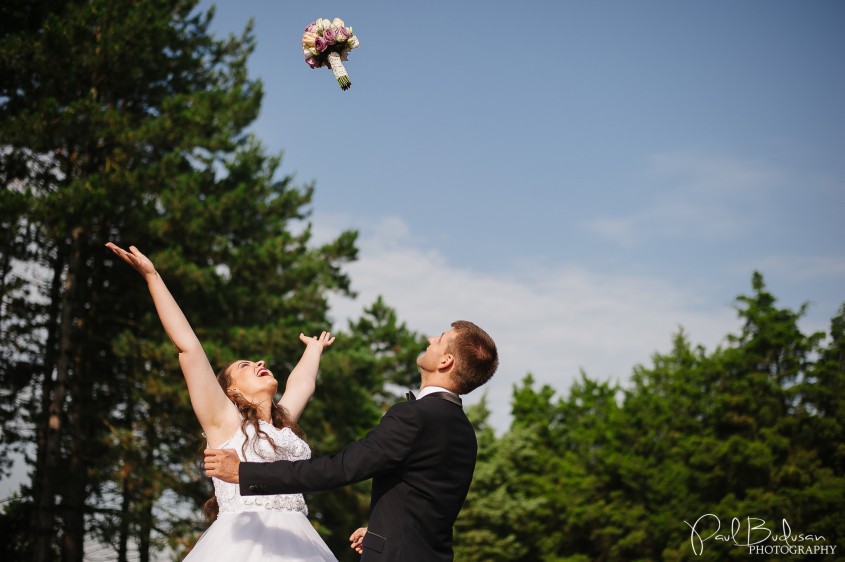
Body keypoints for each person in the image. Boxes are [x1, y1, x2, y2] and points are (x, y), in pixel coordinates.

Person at [106, 242, 338, 562]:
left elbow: (303, 384)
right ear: (231, 392)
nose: (258, 362)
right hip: (242, 547)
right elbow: (188, 347)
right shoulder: (225, 422)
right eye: (244, 366)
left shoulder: (282, 421)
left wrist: (313, 350)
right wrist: (152, 276)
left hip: (299, 542)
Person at [205, 320, 499, 561]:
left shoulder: (415, 416)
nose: (431, 337)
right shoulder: (464, 431)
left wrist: (244, 473)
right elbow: (425, 501)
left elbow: (341, 469)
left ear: (446, 361)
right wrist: (380, 533)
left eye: (441, 339)